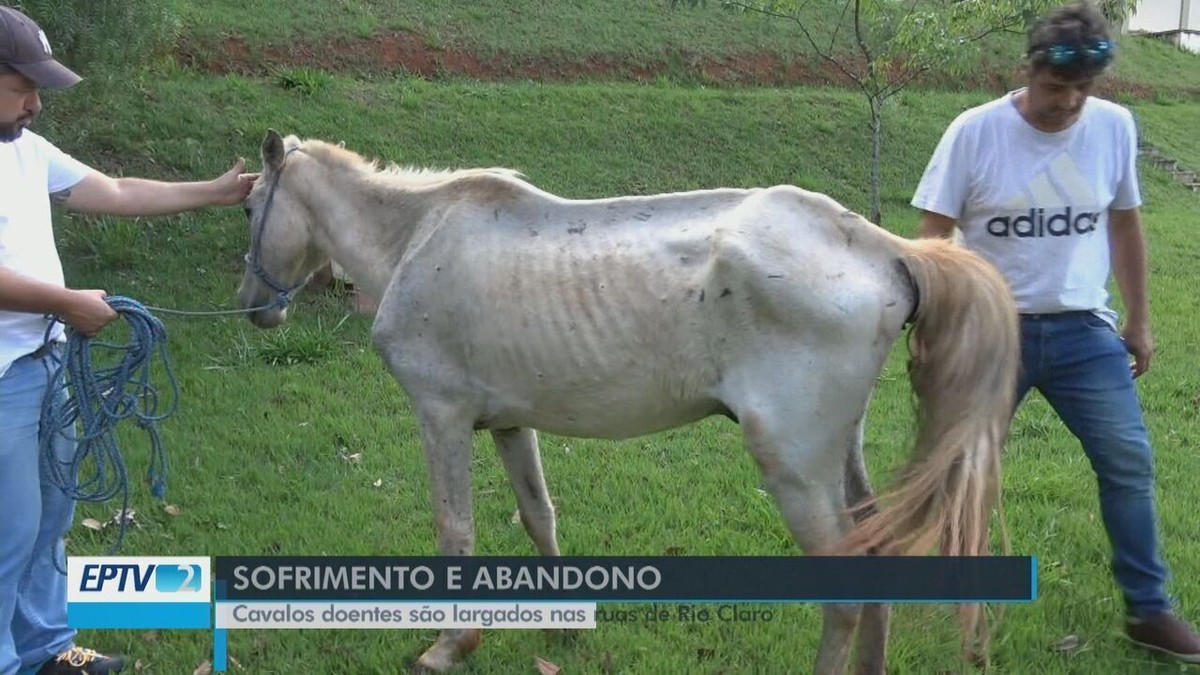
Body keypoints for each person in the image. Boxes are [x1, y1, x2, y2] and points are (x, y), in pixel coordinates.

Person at [911, 0, 1200, 664]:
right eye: (1054, 88)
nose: (1067, 103)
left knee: (1128, 460)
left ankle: (1150, 610)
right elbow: (933, 235)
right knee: (967, 468)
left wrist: (1140, 319)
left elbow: (1125, 222)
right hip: (989, 332)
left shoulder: (1113, 128)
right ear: (1029, 70)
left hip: (1082, 334)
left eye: (1081, 90)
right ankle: (966, 600)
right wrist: (935, 327)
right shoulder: (974, 132)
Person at [0, 6, 257, 675]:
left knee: (52, 516)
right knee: (8, 531)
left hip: (44, 364)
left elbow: (115, 190)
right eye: (20, 85)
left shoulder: (26, 150)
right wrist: (64, 302)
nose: (34, 102)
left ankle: (47, 649)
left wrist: (216, 191)